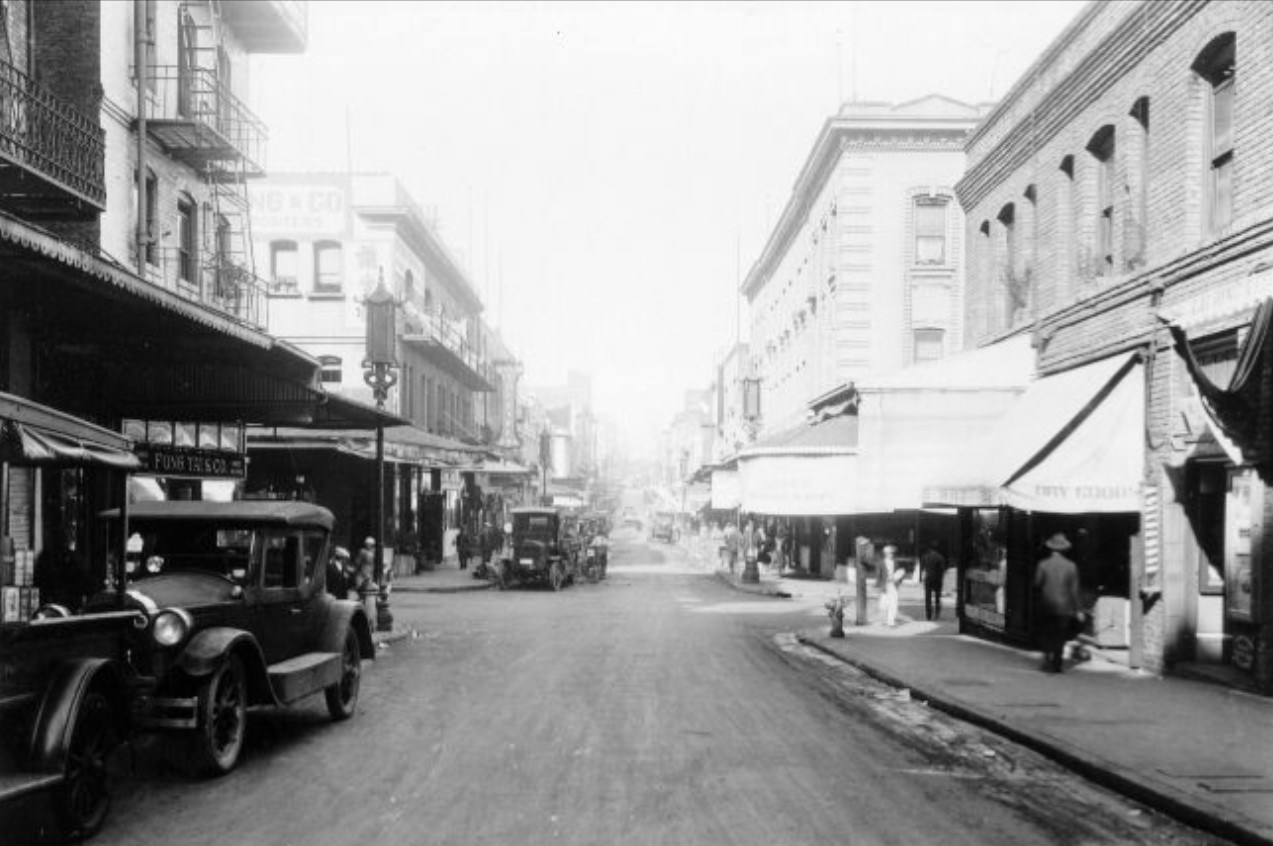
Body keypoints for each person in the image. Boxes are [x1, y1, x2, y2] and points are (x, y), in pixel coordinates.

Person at [1034, 532, 1082, 673]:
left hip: (1046, 604)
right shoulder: (1071, 566)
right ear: (1065, 549)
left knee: (1047, 633)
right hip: (1064, 606)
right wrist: (1078, 609)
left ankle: (1047, 660)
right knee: (1060, 636)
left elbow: (1037, 583)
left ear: (1051, 548)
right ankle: (1057, 665)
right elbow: (1074, 590)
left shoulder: (1043, 564)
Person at [920, 542, 948, 621]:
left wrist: (922, 579)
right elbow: (942, 569)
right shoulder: (940, 557)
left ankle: (928, 614)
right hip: (937, 579)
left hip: (928, 578)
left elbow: (922, 569)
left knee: (928, 597)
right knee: (937, 597)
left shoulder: (925, 557)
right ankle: (937, 613)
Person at [877, 543, 903, 626]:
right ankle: (884, 619)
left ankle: (891, 621)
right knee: (883, 604)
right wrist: (879, 585)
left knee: (893, 603)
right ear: (886, 553)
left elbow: (900, 572)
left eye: (892, 553)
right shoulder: (881, 563)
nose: (891, 554)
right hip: (885, 585)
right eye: (890, 553)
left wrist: (898, 580)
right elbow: (879, 575)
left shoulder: (895, 562)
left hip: (893, 585)